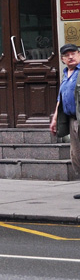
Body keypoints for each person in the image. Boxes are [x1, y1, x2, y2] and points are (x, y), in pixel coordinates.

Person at [49, 42, 80, 199]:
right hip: (71, 120)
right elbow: (60, 99)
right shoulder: (66, 74)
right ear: (62, 59)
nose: (70, 57)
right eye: (67, 55)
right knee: (76, 155)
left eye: (73, 53)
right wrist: (55, 119)